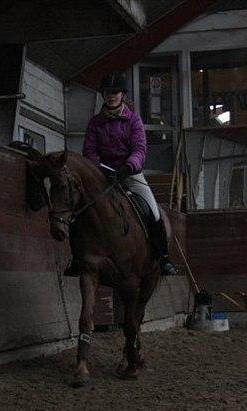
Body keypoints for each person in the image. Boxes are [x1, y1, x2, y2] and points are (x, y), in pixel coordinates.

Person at [74, 72, 178, 276]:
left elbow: (140, 148)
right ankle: (77, 258)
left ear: (122, 94)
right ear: (103, 95)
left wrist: (129, 166)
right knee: (79, 210)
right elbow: (89, 150)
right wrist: (98, 168)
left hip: (129, 173)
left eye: (115, 92)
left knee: (154, 211)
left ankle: (163, 257)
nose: (111, 96)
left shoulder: (133, 120)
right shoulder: (95, 123)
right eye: (107, 93)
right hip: (102, 174)